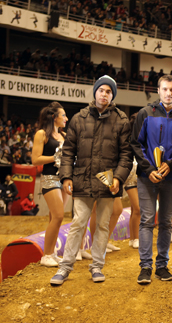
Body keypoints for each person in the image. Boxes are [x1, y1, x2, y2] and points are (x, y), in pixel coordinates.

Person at [50, 76, 132, 286]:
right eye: (101, 90)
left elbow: (126, 156)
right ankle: (65, 267)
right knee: (78, 223)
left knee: (103, 226)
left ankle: (97, 266)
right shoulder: (79, 118)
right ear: (95, 92)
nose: (104, 94)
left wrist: (119, 178)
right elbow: (68, 151)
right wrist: (66, 176)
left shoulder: (122, 120)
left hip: (108, 183)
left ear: (112, 95)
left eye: (108, 91)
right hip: (82, 180)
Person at [131, 74, 172, 285]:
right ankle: (145, 267)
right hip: (147, 176)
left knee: (166, 222)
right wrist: (148, 169)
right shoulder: (145, 113)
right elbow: (135, 144)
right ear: (158, 91)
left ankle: (162, 266)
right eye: (165, 89)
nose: (169, 93)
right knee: (147, 220)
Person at [31, 102, 69, 266]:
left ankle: (51, 252)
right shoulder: (41, 134)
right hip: (49, 178)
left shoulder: (64, 136)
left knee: (55, 217)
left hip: (64, 178)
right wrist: (55, 158)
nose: (66, 118)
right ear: (54, 117)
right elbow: (35, 159)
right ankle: (46, 255)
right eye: (63, 115)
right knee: (59, 215)